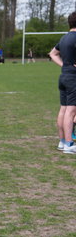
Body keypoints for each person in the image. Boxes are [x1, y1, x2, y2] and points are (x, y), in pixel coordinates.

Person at [49, 11, 76, 154]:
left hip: (64, 76)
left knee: (64, 109)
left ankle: (62, 142)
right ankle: (69, 144)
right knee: (71, 111)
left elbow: (53, 53)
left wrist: (64, 65)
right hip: (73, 78)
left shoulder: (64, 38)